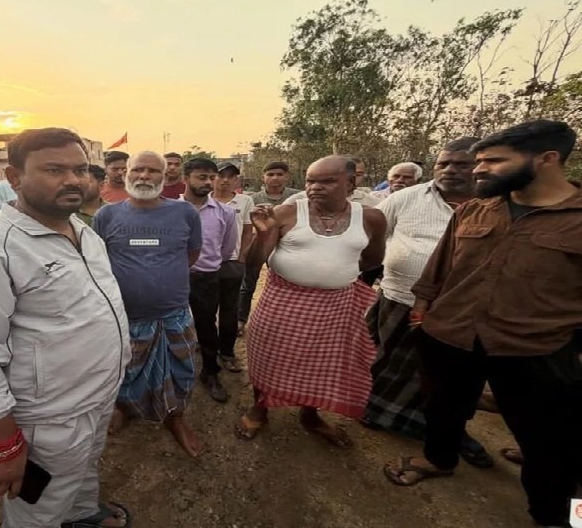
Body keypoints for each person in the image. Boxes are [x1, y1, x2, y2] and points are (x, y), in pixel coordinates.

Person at [382, 120, 582, 528]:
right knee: (444, 408)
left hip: (536, 350)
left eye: (493, 161)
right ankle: (438, 459)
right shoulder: (476, 209)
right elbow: (437, 271)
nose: (478, 170)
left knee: (553, 442)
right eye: (478, 161)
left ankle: (560, 518)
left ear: (546, 159)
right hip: (450, 336)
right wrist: (422, 318)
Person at [0, 127, 131, 528]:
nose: (73, 180)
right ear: (14, 177)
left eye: (80, 169)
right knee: (40, 507)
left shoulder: (83, 232)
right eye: (54, 170)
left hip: (95, 396)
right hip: (49, 416)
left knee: (83, 470)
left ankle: (81, 514)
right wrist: (4, 444)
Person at [237, 156, 386, 446]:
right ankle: (260, 408)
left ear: (350, 183)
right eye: (310, 181)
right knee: (268, 356)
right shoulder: (286, 213)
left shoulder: (371, 218)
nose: (315, 187)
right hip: (283, 302)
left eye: (327, 181)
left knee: (321, 364)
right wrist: (263, 235)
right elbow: (253, 263)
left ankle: (310, 414)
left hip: (336, 307)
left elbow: (372, 260)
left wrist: (334, 273)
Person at [363, 138, 493, 467]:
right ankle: (377, 411)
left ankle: (451, 432)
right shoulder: (406, 198)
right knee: (390, 362)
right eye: (443, 164)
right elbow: (374, 235)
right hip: (400, 298)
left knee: (452, 375)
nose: (450, 170)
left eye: (461, 164)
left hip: (463, 312)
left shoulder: (496, 204)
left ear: (479, 166)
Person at [93, 151, 204, 457]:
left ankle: (175, 417)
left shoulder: (185, 213)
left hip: (173, 314)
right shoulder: (106, 216)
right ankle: (123, 408)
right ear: (125, 173)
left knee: (181, 369)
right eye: (137, 169)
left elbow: (191, 255)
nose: (144, 176)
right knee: (124, 370)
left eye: (153, 171)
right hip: (123, 317)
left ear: (164, 176)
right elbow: (98, 262)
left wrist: (160, 277)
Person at [182, 158, 240, 403]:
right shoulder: (169, 210)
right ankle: (167, 374)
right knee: (170, 325)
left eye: (211, 177)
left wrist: (208, 264)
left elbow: (227, 248)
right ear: (186, 179)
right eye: (201, 177)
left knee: (206, 325)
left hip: (206, 278)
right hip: (173, 278)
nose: (208, 182)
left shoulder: (225, 212)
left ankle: (210, 372)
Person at [240, 161, 300, 336]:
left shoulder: (297, 198)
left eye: (279, 174)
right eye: (270, 174)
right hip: (260, 243)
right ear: (263, 177)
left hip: (287, 246)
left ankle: (286, 322)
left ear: (287, 176)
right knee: (248, 283)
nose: (275, 178)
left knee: (287, 283)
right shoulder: (253, 199)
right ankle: (240, 319)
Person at [210, 162, 254, 372]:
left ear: (237, 180)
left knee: (229, 310)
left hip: (232, 263)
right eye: (221, 176)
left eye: (231, 176)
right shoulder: (202, 200)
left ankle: (227, 352)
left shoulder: (245, 201)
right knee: (205, 309)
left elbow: (248, 230)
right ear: (214, 178)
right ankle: (207, 346)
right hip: (204, 264)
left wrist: (242, 257)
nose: (225, 180)